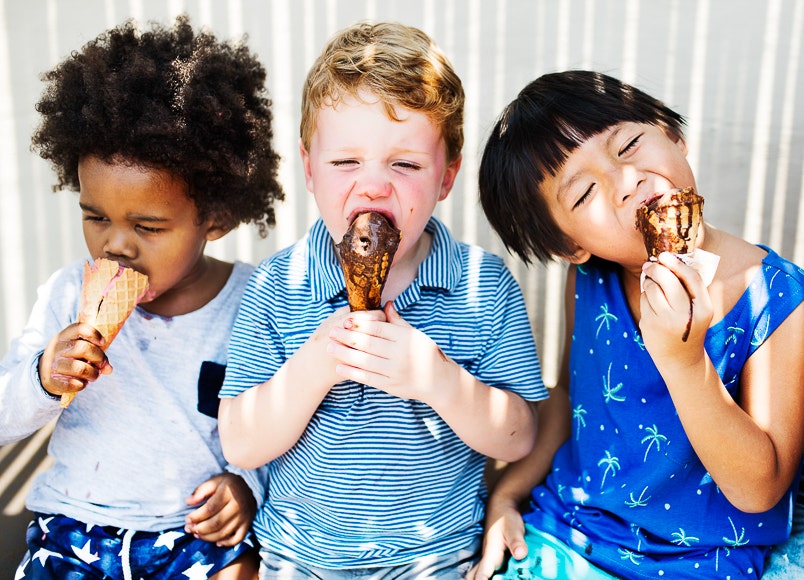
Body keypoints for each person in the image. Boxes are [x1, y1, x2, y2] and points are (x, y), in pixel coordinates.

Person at [217, 21, 549, 578]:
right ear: (308, 169)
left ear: (446, 176)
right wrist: (318, 362)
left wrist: (439, 379)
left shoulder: (482, 286)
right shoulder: (279, 284)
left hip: (436, 559)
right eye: (346, 162)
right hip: (300, 559)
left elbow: (518, 436)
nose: (373, 185)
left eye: (406, 164)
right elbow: (241, 442)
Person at [470, 70, 804, 579]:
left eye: (629, 144)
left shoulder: (775, 298)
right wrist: (508, 496)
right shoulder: (589, 279)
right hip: (570, 532)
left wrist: (685, 362)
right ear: (570, 245)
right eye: (583, 195)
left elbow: (761, 488)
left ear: (674, 136)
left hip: (704, 560)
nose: (626, 182)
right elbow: (568, 402)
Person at [0, 15, 284, 579]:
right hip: (73, 525)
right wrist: (42, 375)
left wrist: (247, 487)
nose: (116, 244)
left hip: (194, 535)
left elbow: (284, 424)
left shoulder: (257, 301)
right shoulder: (64, 294)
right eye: (95, 216)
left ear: (217, 218)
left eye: (149, 226)